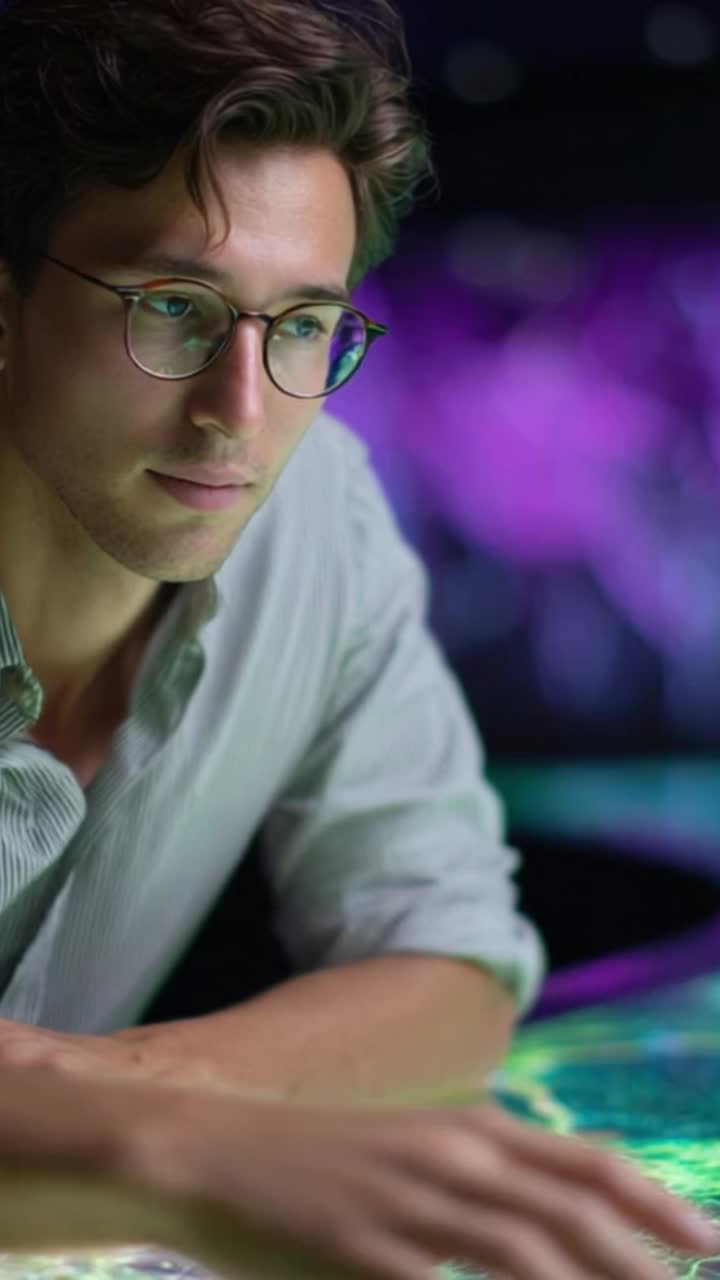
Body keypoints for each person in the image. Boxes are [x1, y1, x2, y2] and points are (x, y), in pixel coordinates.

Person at [0, 1, 717, 1278]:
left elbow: (447, 964)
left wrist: (131, 1092)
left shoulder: (316, 506)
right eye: (173, 306)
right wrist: (166, 1147)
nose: (243, 411)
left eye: (302, 326)